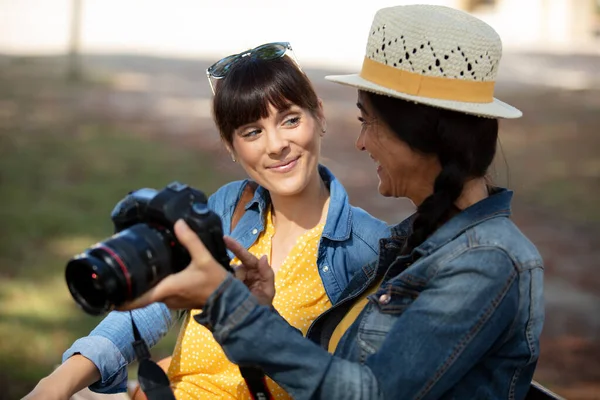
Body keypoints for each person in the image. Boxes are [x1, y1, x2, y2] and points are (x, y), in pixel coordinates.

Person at [108, 5, 545, 400]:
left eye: (367, 121)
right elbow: (338, 370)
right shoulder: (422, 240)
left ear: (421, 135)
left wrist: (227, 305)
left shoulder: (487, 261)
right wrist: (262, 315)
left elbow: (369, 394)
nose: (359, 142)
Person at [23, 42, 390, 400]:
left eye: (290, 119)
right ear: (231, 146)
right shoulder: (229, 206)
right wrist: (58, 382)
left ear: (319, 115)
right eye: (252, 132)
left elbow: (353, 385)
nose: (276, 144)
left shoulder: (369, 250)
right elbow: (153, 305)